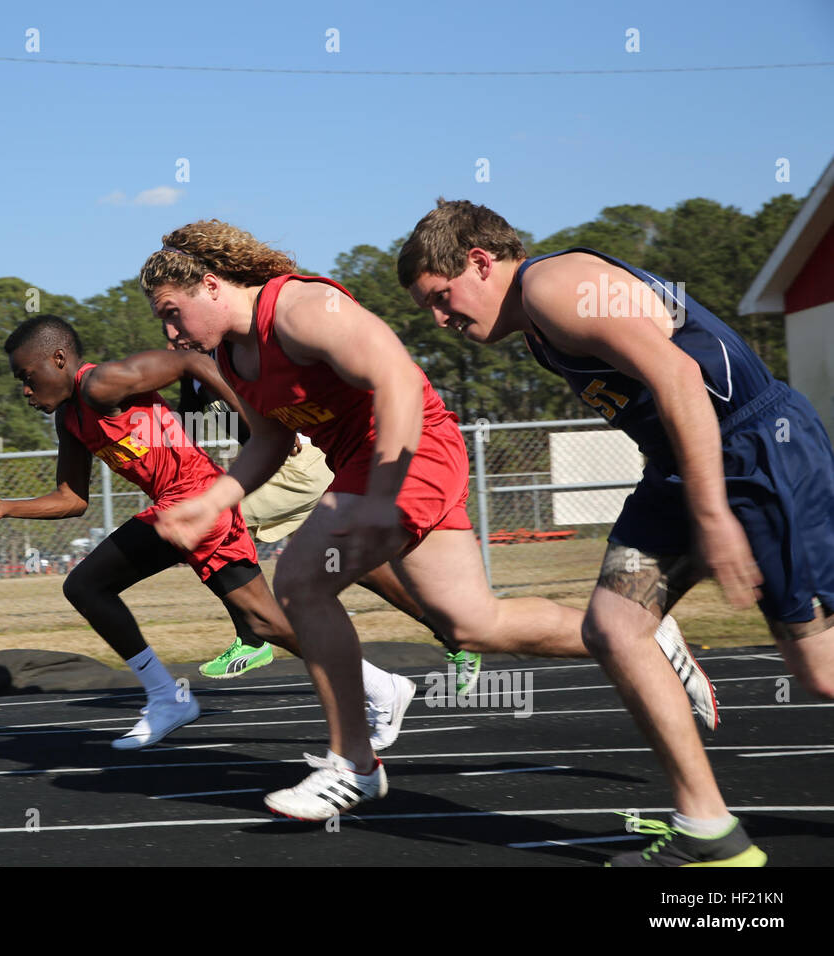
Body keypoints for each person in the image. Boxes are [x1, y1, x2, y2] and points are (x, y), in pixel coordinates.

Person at [141, 221, 717, 821]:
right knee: (472, 623)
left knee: (300, 583)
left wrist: (382, 494)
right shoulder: (230, 356)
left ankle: (354, 767)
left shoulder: (301, 307)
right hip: (366, 464)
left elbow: (397, 379)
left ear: (211, 285)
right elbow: (269, 439)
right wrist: (213, 501)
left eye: (173, 312)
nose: (170, 330)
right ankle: (644, 636)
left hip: (409, 449)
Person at [397, 198, 834, 866]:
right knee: (614, 626)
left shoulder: (553, 288)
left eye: (441, 296)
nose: (440, 319)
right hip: (681, 469)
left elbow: (680, 375)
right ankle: (708, 830)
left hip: (753, 454)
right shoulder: (539, 325)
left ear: (480, 262)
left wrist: (713, 515)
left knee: (820, 670)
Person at [0, 315, 416, 751]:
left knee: (87, 585)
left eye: (27, 375)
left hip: (197, 499)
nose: (25, 390)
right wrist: (6, 509)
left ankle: (167, 697)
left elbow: (191, 363)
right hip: (185, 512)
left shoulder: (101, 383)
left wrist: (260, 426)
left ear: (59, 359)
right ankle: (381, 686)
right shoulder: (70, 420)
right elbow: (72, 499)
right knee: (265, 622)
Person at [176, 362, 483, 693]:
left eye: (175, 313)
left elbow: (262, 420)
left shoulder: (225, 357)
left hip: (299, 465)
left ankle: (254, 636)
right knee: (363, 568)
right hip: (288, 468)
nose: (172, 332)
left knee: (213, 521)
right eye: (165, 320)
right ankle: (452, 632)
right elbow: (182, 429)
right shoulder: (190, 372)